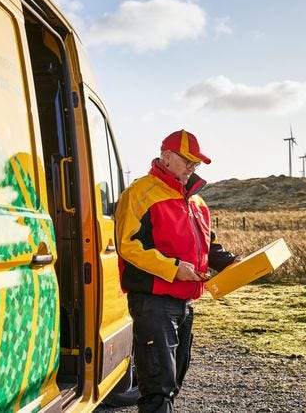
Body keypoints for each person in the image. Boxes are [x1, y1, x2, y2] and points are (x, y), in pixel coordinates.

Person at [115, 129, 241, 413]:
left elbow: (208, 243)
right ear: (167, 156)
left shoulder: (196, 201)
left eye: (195, 163)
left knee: (174, 380)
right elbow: (127, 246)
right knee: (157, 387)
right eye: (187, 161)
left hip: (185, 302)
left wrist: (231, 261)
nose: (191, 168)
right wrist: (173, 270)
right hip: (153, 301)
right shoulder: (139, 193)